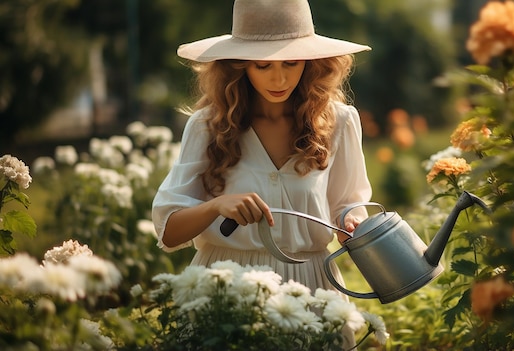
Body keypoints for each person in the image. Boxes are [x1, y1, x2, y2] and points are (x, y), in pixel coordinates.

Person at [152, 0, 371, 323]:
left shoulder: (338, 122)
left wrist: (353, 224)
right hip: (225, 289)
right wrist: (217, 206)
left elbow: (347, 207)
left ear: (310, 63)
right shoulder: (208, 126)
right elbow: (168, 232)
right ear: (239, 65)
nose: (279, 79)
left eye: (292, 63)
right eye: (263, 66)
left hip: (310, 290)